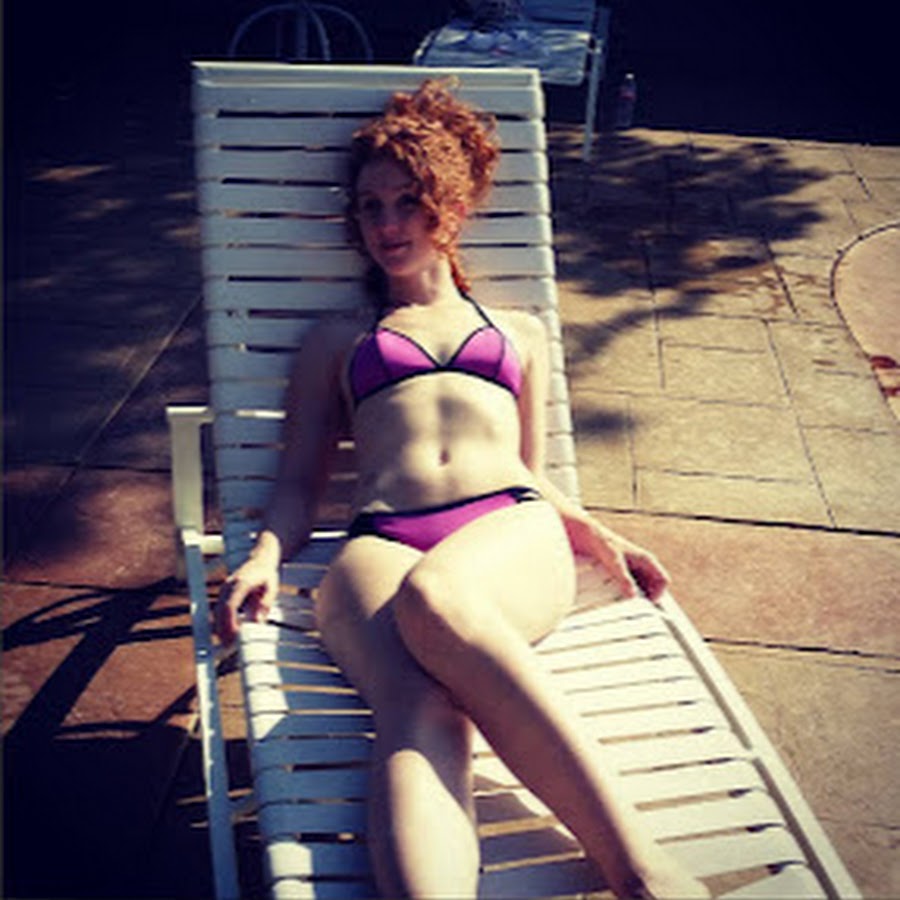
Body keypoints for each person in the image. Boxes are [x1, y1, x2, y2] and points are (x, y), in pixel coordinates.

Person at [215, 79, 708, 900]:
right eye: (370, 206)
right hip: (381, 541)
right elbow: (298, 485)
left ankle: (640, 871)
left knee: (438, 597)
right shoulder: (337, 340)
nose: (387, 224)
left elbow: (532, 471)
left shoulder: (518, 332)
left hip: (506, 528)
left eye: (407, 202)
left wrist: (594, 532)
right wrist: (265, 556)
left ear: (450, 205)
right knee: (417, 709)